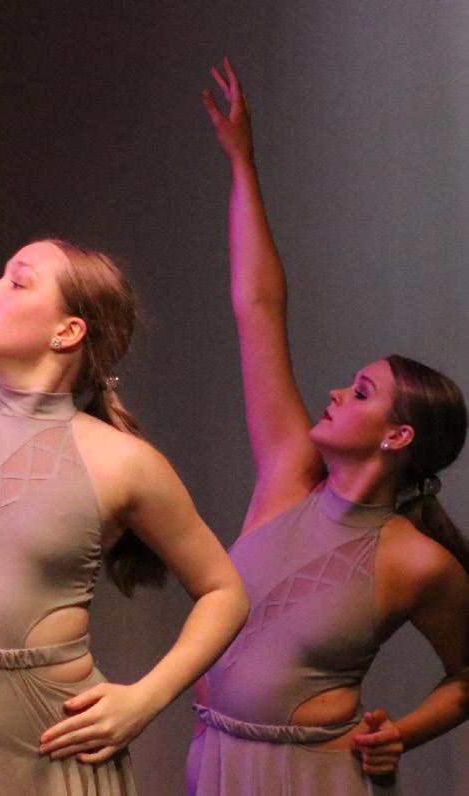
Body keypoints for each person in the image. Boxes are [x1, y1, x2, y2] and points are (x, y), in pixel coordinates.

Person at [0, 2, 249, 794]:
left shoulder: (120, 462)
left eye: (18, 282)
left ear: (67, 331)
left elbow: (224, 590)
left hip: (43, 744)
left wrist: (143, 700)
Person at [188, 58, 469, 795]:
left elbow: (467, 676)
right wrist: (241, 163)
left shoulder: (418, 562)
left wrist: (401, 734)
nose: (338, 391)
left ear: (398, 435)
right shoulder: (288, 472)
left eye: (363, 391)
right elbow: (258, 309)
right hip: (217, 759)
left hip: (312, 774)